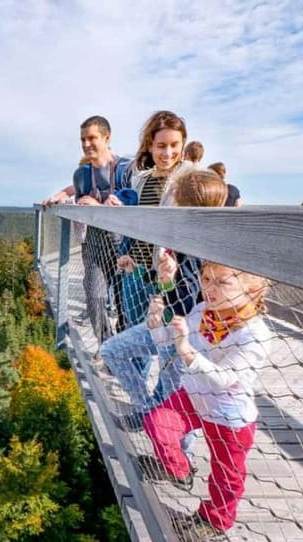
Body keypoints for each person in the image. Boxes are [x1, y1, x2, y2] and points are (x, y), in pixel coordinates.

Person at [141, 261, 272, 538]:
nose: (209, 289)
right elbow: (167, 340)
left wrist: (188, 352)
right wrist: (155, 324)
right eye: (206, 279)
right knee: (158, 424)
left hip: (229, 415)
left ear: (251, 290)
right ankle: (180, 471)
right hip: (194, 396)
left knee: (226, 475)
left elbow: (226, 379)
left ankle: (215, 521)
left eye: (222, 282)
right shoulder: (203, 311)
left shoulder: (255, 333)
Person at [100, 170, 228, 432]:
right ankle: (148, 414)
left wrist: (166, 282)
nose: (169, 204)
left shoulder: (194, 247)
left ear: (185, 206)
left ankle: (180, 462)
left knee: (174, 400)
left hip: (184, 335)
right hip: (170, 327)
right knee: (114, 351)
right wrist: (142, 271)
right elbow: (176, 285)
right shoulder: (189, 240)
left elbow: (185, 303)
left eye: (174, 199)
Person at [44, 116, 132, 341]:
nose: (86, 144)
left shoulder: (125, 170)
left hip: (124, 244)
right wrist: (63, 195)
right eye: (83, 139)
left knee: (126, 304)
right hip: (94, 242)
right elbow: (78, 190)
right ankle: (107, 345)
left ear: (107, 138)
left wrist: (99, 206)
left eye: (92, 138)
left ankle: (123, 348)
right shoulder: (82, 174)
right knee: (95, 298)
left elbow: (134, 202)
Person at [116, 111, 193, 329]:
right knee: (134, 330)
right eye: (161, 146)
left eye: (174, 145)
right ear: (150, 146)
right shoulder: (140, 179)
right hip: (135, 269)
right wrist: (125, 252)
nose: (168, 153)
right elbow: (133, 223)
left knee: (169, 336)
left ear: (183, 145)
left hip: (167, 274)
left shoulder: (188, 179)